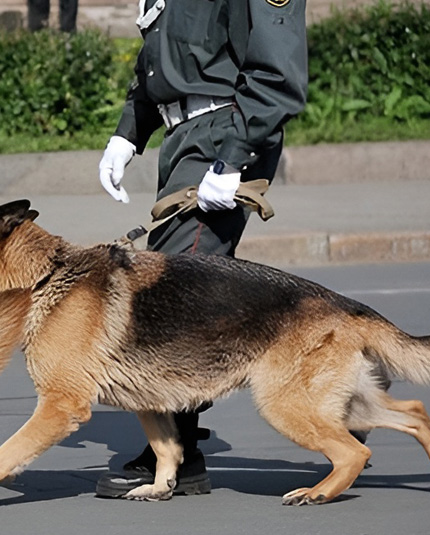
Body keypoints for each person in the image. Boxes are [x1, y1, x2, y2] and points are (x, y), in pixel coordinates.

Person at [93, 0, 307, 498]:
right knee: (176, 285)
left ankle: (178, 454)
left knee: (174, 292)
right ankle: (352, 396)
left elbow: (277, 67)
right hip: (182, 136)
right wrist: (130, 131)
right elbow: (160, 57)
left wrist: (236, 156)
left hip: (223, 134)